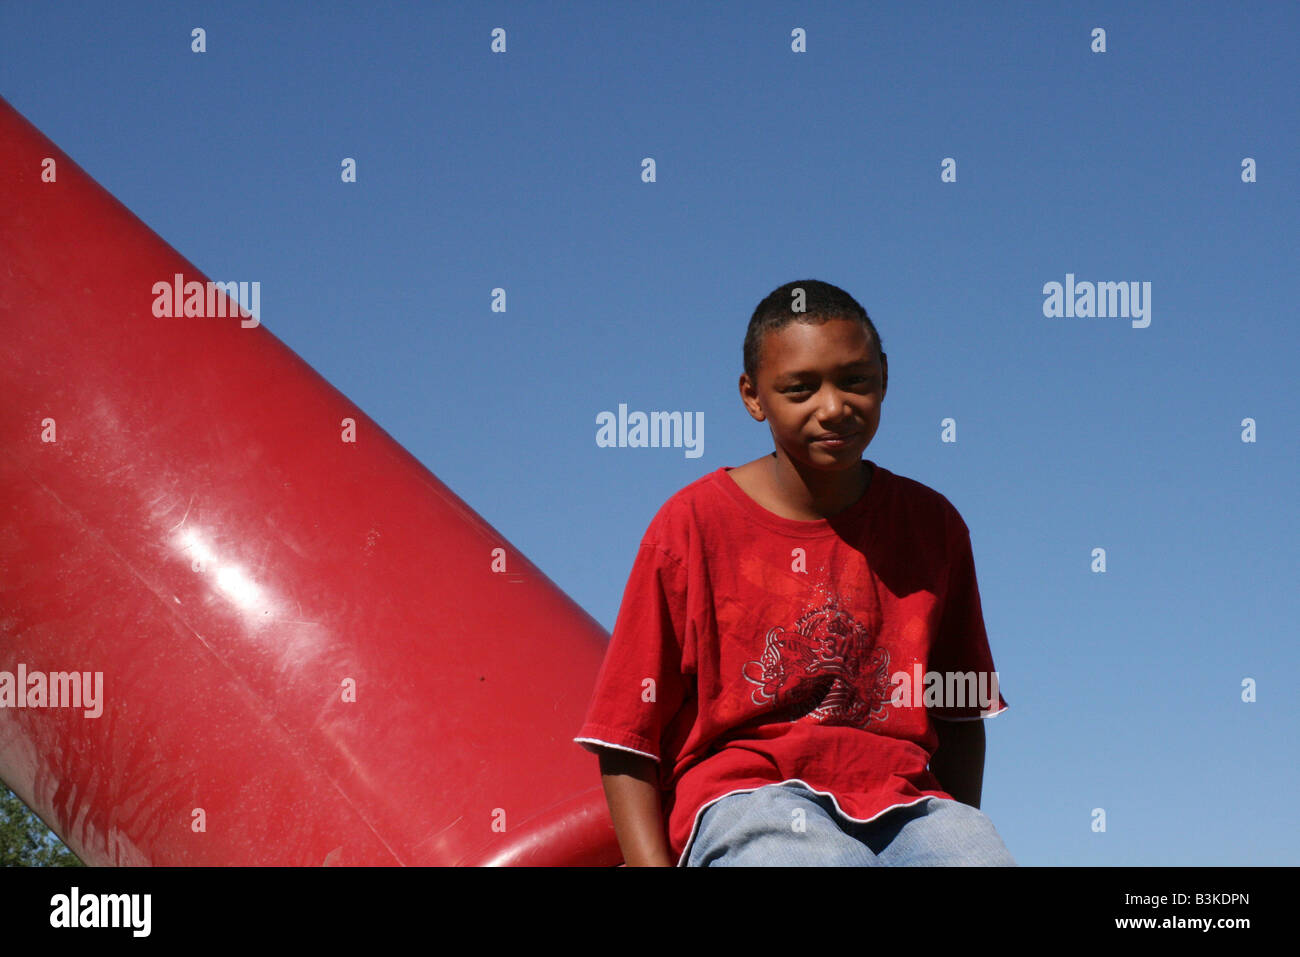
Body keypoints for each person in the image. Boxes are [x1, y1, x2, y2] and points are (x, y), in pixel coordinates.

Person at [574, 279, 1015, 867]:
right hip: (748, 798)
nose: (833, 407)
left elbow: (959, 710)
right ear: (754, 397)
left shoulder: (932, 526)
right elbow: (628, 733)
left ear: (884, 376)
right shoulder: (692, 525)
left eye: (854, 380)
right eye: (800, 389)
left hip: (906, 802)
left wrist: (954, 836)